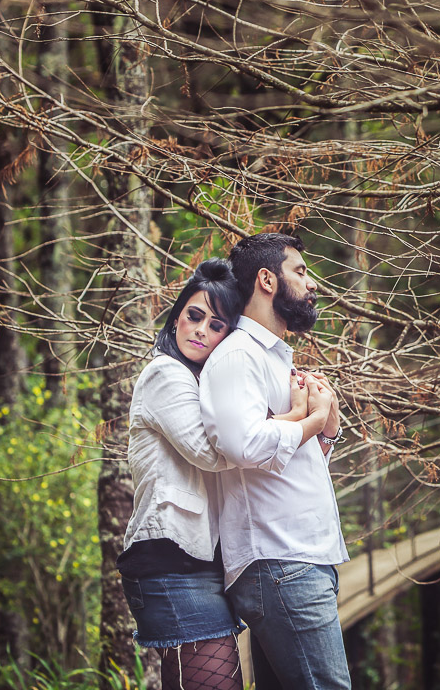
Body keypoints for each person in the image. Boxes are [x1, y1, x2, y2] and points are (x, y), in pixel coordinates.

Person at [117, 258, 334, 690]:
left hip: (208, 562)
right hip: (170, 560)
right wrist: (303, 417)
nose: (201, 330)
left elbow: (251, 452)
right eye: (194, 316)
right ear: (176, 317)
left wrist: (317, 428)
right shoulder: (164, 374)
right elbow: (214, 453)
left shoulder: (208, 382)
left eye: (216, 325)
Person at [200, 232, 350, 690]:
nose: (312, 283)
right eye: (300, 271)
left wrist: (327, 430)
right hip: (281, 562)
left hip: (300, 561)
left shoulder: (275, 360)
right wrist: (312, 419)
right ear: (267, 280)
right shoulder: (238, 357)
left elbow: (286, 466)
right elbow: (244, 445)